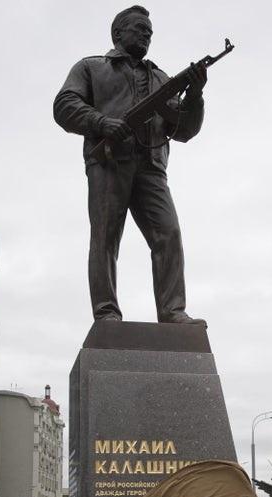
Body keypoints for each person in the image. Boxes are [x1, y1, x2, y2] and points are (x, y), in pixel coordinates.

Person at [53, 5, 210, 327]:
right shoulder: (92, 68)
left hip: (151, 166)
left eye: (149, 32)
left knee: (169, 234)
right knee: (106, 238)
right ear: (117, 33)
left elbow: (185, 131)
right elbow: (65, 105)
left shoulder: (161, 78)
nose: (146, 35)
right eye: (139, 29)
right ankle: (107, 312)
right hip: (110, 161)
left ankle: (172, 311)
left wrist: (195, 95)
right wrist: (101, 122)